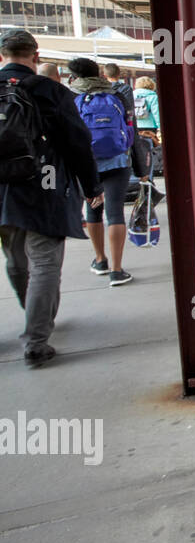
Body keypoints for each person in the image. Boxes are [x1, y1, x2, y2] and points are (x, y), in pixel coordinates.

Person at [0, 29, 103, 367]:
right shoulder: (50, 91)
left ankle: (32, 313)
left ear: (2, 56)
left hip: (3, 193)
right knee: (44, 262)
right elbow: (77, 144)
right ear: (36, 55)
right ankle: (36, 340)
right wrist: (91, 188)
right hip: (43, 185)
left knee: (15, 261)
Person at [68, 57, 135, 286]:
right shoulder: (116, 96)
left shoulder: (72, 99)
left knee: (93, 209)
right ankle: (117, 271)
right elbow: (129, 128)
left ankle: (100, 260)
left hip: (87, 164)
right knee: (115, 213)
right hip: (117, 161)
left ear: (74, 76)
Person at [132, 76, 162, 179]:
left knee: (136, 154)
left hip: (135, 128)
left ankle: (138, 178)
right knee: (149, 154)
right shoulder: (152, 96)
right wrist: (160, 128)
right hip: (149, 130)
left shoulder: (132, 95)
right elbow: (157, 113)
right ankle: (149, 178)